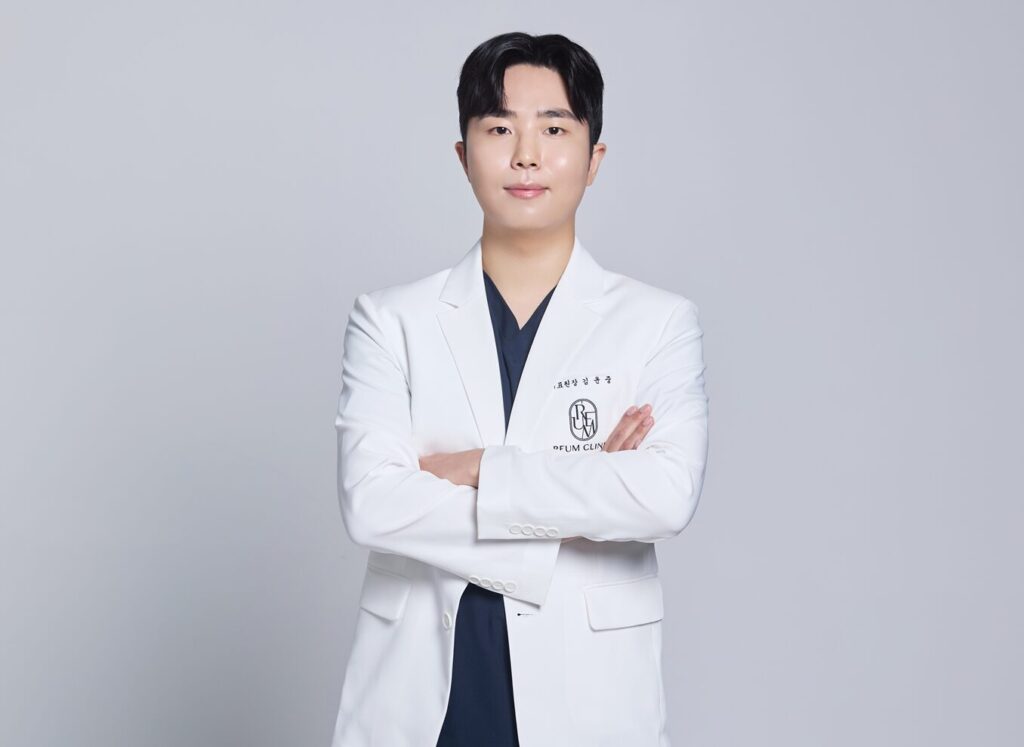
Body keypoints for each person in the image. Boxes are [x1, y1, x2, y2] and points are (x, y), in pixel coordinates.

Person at [330, 31, 709, 747]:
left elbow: (664, 494)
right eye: (500, 128)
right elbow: (372, 504)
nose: (526, 154)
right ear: (463, 154)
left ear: (595, 159)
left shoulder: (657, 323)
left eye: (554, 129)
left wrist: (480, 470)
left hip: (590, 704)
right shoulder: (390, 320)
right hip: (422, 702)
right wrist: (584, 495)